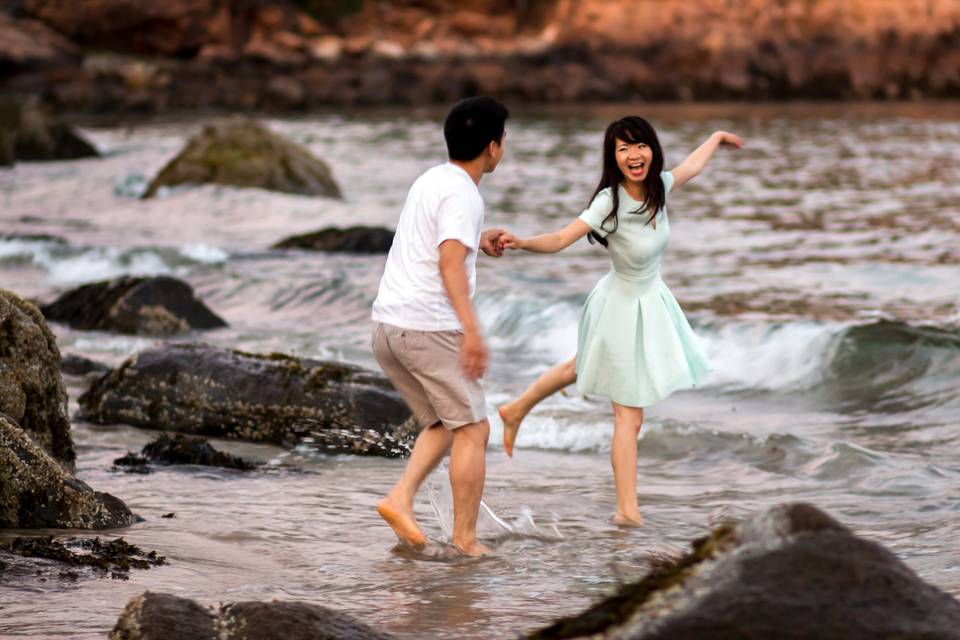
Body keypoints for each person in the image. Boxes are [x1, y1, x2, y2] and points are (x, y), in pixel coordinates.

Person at [497, 116, 743, 525]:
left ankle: (515, 409)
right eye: (623, 148)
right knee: (629, 417)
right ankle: (627, 511)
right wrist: (520, 242)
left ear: (652, 149)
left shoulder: (659, 187)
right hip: (620, 305)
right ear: (614, 158)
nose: (634, 154)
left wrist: (716, 137)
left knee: (581, 367)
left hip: (647, 299)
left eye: (640, 145)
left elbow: (692, 167)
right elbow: (561, 238)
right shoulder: (608, 201)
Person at [371, 96, 509, 556]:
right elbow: (450, 262)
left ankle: (399, 499)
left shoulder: (433, 179)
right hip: (427, 328)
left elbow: (437, 242)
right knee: (474, 429)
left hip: (389, 327)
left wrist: (477, 238)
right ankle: (466, 540)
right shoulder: (464, 194)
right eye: (503, 139)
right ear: (493, 147)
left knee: (446, 424)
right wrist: (472, 331)